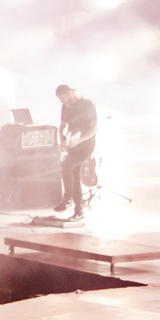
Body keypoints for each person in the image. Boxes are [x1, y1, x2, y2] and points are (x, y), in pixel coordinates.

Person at [53, 82, 97, 218]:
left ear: (68, 93)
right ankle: (78, 210)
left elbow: (94, 128)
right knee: (73, 173)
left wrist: (80, 140)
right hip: (73, 144)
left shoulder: (86, 105)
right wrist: (62, 140)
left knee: (67, 166)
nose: (61, 101)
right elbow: (63, 125)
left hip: (86, 145)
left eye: (62, 98)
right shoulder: (65, 107)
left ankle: (68, 199)